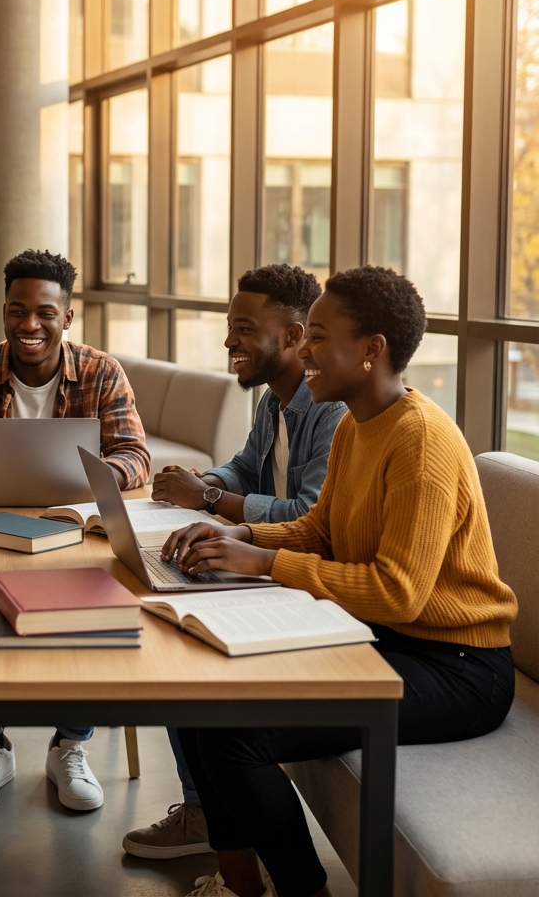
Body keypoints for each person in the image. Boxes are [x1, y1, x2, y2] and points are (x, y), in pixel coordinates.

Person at [160, 266, 517, 897]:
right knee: (200, 693)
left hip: (459, 666)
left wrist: (267, 563)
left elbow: (398, 592)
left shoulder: (422, 443)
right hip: (389, 637)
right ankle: (237, 884)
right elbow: (320, 530)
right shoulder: (356, 422)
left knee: (234, 735)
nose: (304, 351)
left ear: (372, 349)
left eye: (319, 337)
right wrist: (242, 538)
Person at [0, 248, 150, 815]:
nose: (29, 325)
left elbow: (135, 456)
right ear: (3, 311)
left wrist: (93, 476)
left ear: (67, 316)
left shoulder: (100, 371)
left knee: (91, 605)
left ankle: (70, 745)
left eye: (45, 312)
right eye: (17, 311)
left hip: (75, 528)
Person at [123, 264, 347, 863]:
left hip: (302, 582)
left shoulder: (331, 411)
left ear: (297, 335)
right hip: (270, 559)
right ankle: (207, 816)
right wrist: (204, 482)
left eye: (244, 329)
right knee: (175, 633)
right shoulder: (273, 403)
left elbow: (310, 512)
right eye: (230, 327)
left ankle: (219, 826)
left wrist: (212, 501)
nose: (229, 342)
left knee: (192, 670)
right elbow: (246, 467)